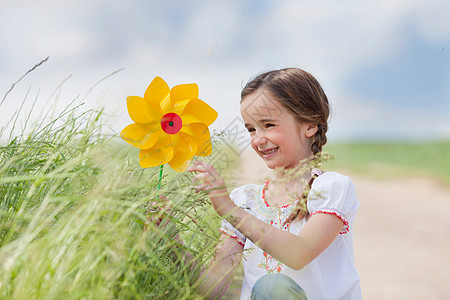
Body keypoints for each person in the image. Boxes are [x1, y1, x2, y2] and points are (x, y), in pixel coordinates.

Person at [185, 68, 361, 300]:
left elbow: (299, 253)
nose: (258, 139)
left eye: (268, 125)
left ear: (309, 124)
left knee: (272, 287)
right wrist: (169, 240)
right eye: (251, 129)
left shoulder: (330, 188)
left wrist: (228, 209)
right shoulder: (245, 200)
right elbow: (210, 289)